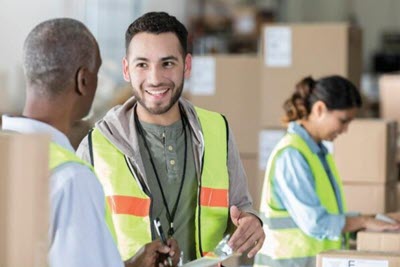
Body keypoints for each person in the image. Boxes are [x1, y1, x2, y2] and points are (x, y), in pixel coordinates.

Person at [77, 11, 265, 265]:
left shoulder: (217, 129)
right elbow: (80, 249)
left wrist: (251, 221)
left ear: (186, 66)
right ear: (126, 69)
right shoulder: (96, 145)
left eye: (167, 63)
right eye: (142, 64)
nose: (155, 79)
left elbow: (241, 207)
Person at [1, 18, 173, 267]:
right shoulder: (70, 178)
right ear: (83, 80)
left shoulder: (9, 150)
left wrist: (130, 264)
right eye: (97, 73)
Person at [254, 75, 400, 267]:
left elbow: (329, 213)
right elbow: (317, 223)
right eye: (343, 120)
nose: (346, 129)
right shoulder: (292, 155)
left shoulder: (318, 153)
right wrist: (364, 221)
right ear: (320, 109)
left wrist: (376, 218)